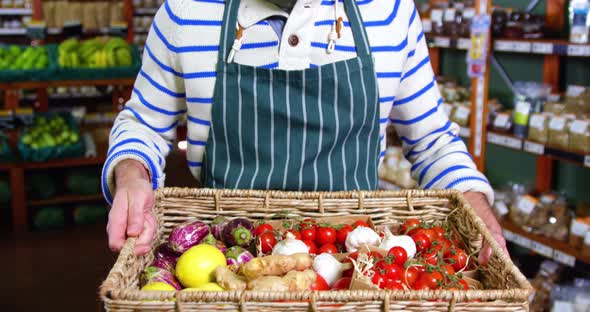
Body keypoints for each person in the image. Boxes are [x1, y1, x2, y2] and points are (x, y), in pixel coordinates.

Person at [103, 0, 507, 263]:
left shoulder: (390, 13)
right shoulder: (186, 12)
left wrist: (473, 198)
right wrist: (131, 172)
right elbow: (144, 123)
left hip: (357, 266)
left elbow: (433, 140)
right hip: (227, 265)